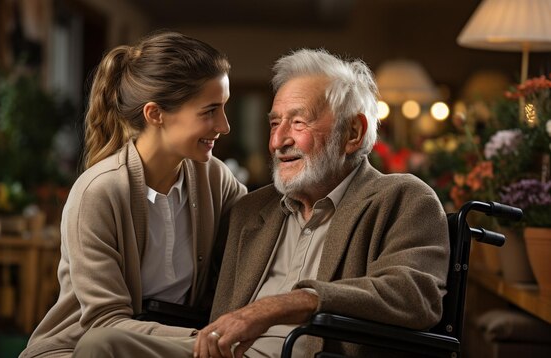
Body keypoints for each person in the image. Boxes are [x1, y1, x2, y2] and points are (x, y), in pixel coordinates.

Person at [72, 49, 450, 358]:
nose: (278, 141)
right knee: (101, 344)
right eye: (273, 124)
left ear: (353, 133)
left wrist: (291, 303)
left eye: (298, 123)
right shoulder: (251, 209)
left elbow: (415, 296)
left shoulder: (401, 198)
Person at [20, 31, 247, 358]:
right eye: (210, 110)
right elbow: (105, 322)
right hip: (80, 349)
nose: (224, 125)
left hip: (172, 345)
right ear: (155, 114)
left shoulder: (215, 178)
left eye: (223, 108)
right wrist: (210, 338)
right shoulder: (98, 193)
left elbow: (256, 233)